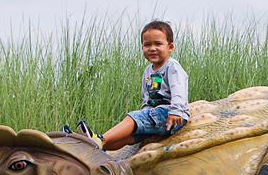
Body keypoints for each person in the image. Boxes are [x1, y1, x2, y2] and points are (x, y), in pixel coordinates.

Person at [69, 20, 190, 149]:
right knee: (127, 137)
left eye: (158, 44)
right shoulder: (148, 71)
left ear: (170, 47)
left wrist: (176, 111)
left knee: (133, 117)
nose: (152, 48)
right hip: (153, 115)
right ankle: (95, 148)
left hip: (170, 114)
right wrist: (145, 111)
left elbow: (178, 89)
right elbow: (147, 97)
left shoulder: (172, 66)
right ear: (142, 47)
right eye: (147, 45)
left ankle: (99, 139)